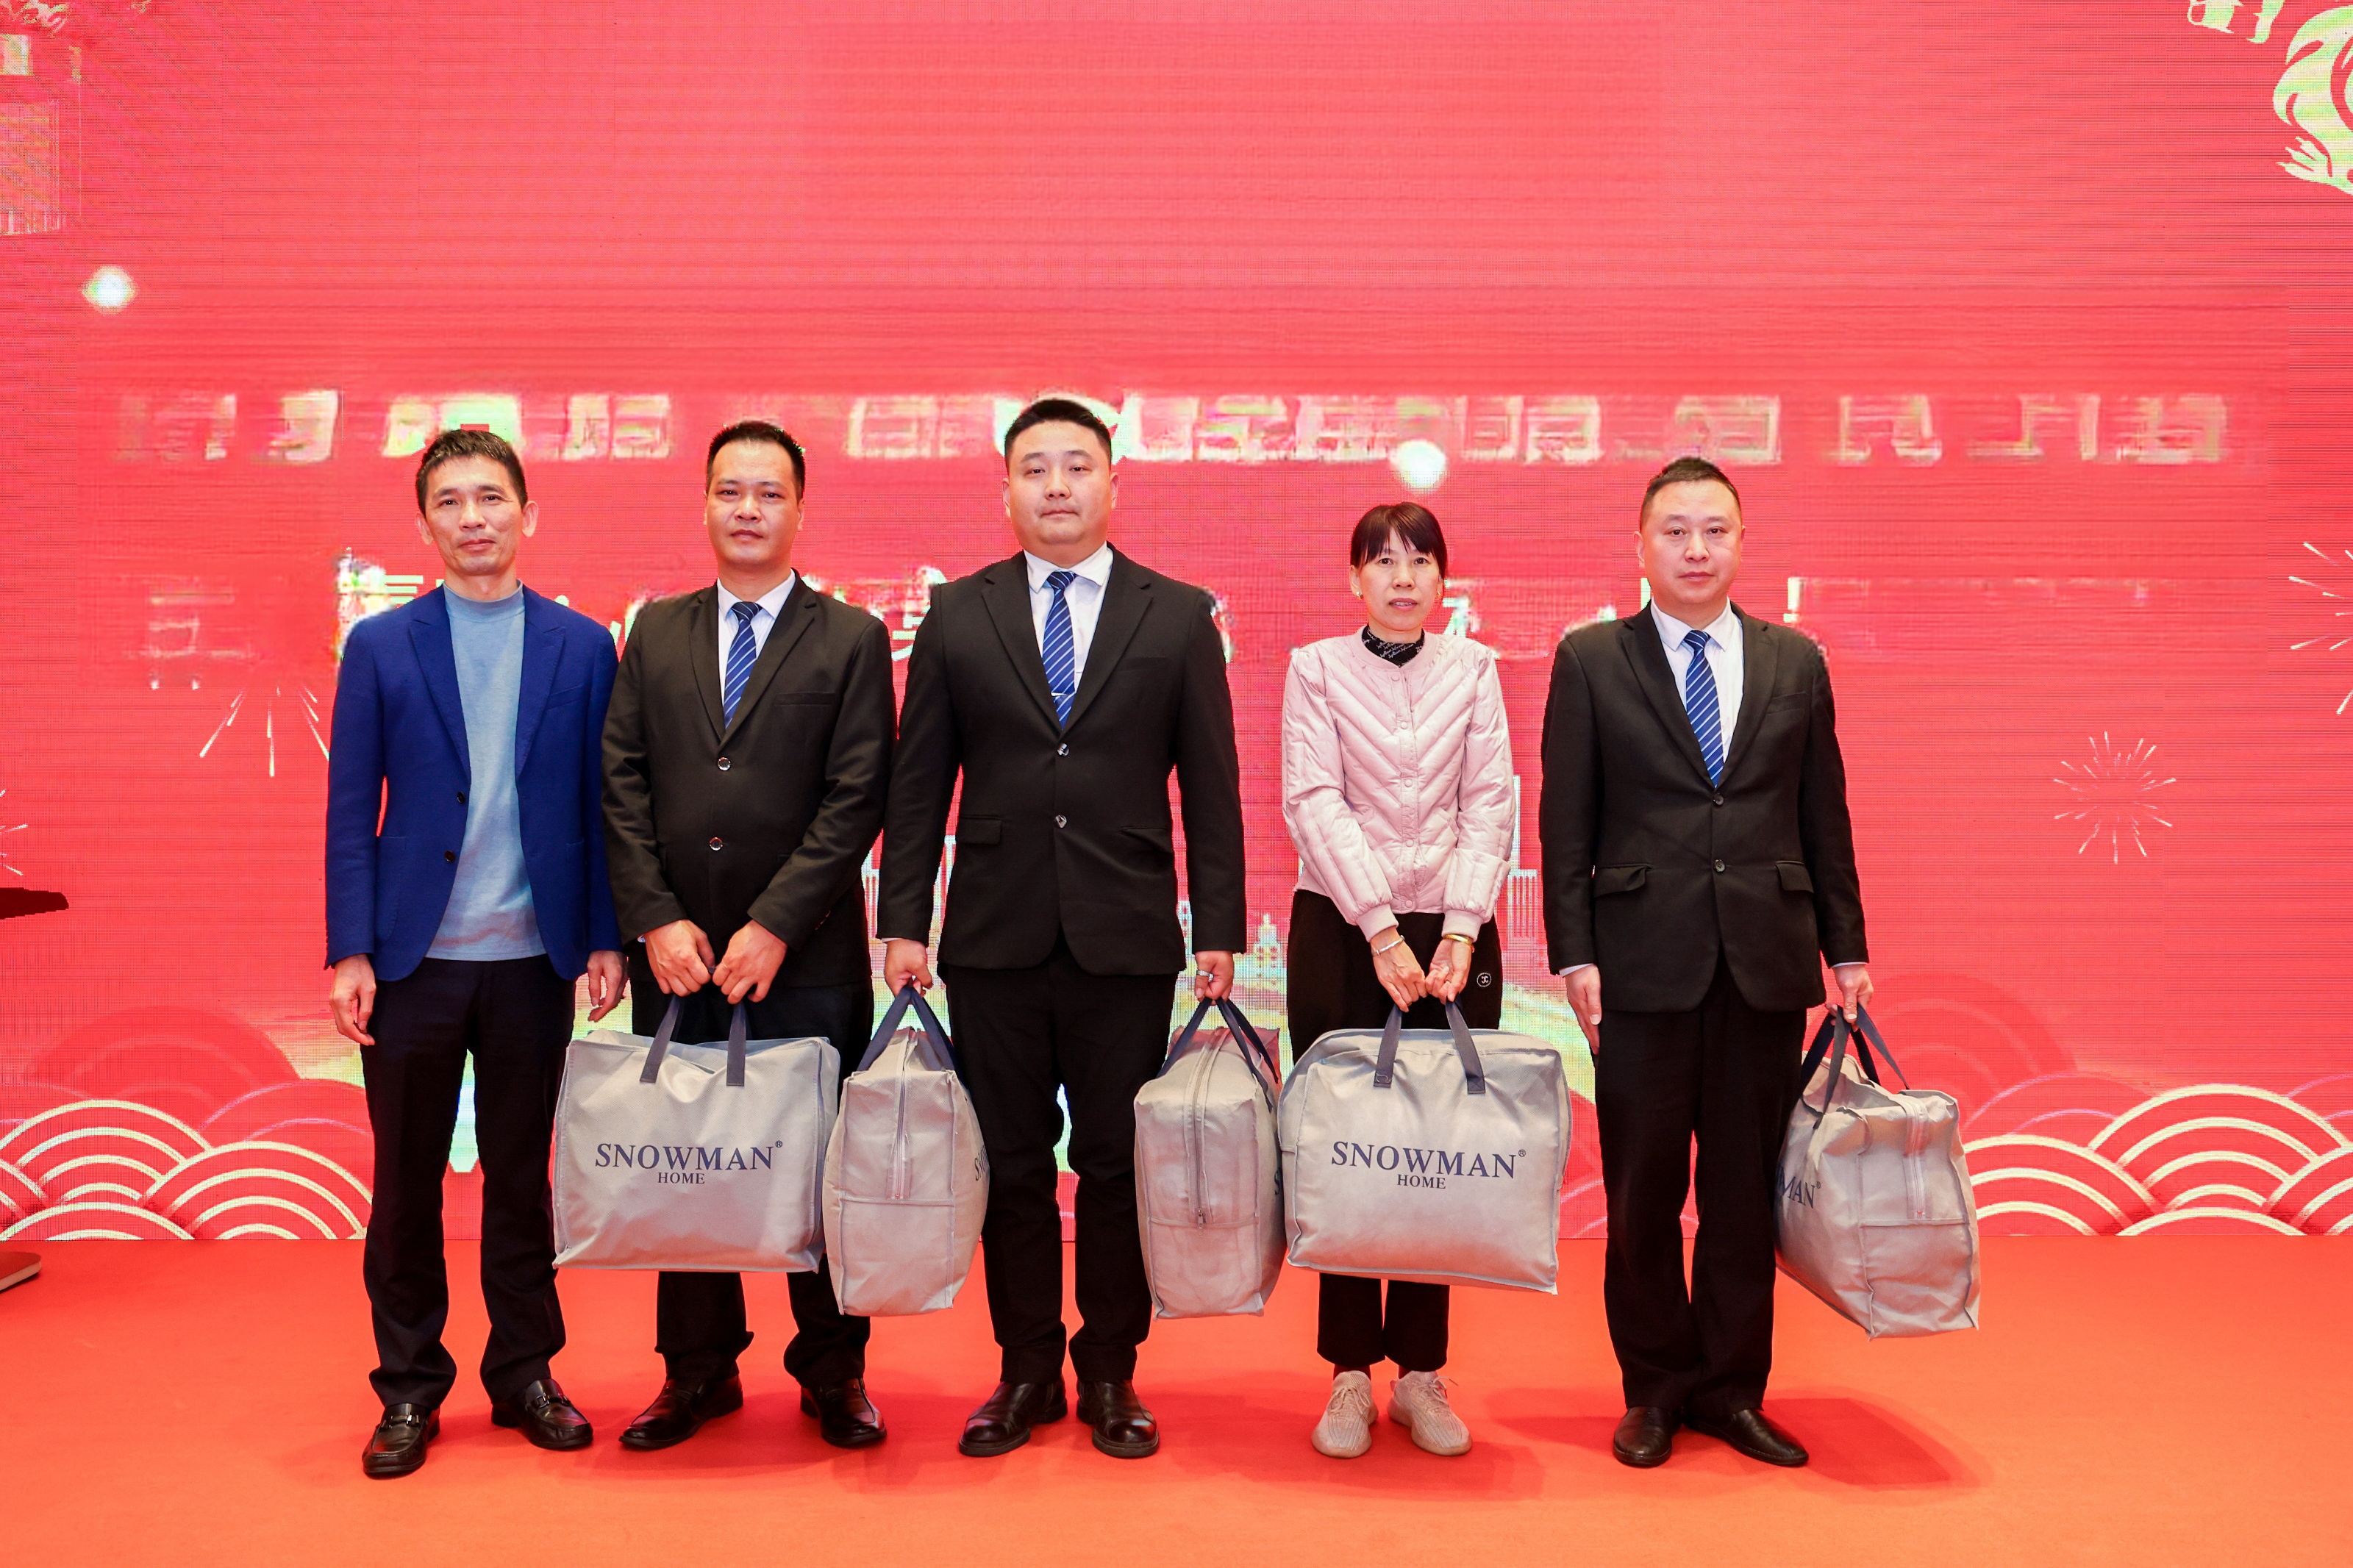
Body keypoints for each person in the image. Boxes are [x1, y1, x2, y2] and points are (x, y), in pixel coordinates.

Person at [877, 397, 1247, 1460]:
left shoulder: (1178, 615)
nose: (1055, 486)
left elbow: (1211, 787)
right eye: (1034, 467)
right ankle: (1027, 1367)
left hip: (1124, 934)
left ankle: (1113, 1370)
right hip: (992, 934)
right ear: (1005, 489)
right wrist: (903, 919)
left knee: (1118, 1162)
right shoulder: (957, 613)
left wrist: (1219, 923)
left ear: (1112, 484)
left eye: (1076, 466)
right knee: (1011, 1161)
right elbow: (920, 785)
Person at [1538, 455, 1871, 1471]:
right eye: (1675, 531)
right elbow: (1566, 822)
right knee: (1643, 1192)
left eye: (1714, 530)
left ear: (1741, 542)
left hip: (1764, 962)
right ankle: (1654, 1388)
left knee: (1740, 1192)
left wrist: (1848, 947)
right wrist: (1573, 951)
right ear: (1641, 545)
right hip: (1640, 964)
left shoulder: (1795, 661)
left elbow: (1824, 815)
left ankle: (1731, 1390)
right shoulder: (1592, 659)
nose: (1695, 549)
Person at [326, 428, 624, 1479]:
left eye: (491, 497)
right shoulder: (379, 645)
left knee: (520, 1181)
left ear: (528, 514)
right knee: (405, 1186)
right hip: (411, 963)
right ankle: (409, 1387)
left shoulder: (584, 646)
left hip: (533, 958)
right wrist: (350, 950)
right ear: (425, 525)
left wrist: (603, 933)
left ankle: (525, 1373)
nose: (473, 518)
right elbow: (350, 808)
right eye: (449, 501)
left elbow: (602, 805)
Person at [601, 420, 897, 1452]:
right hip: (678, 955)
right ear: (705, 503)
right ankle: (697, 1369)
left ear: (800, 510)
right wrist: (652, 917)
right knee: (687, 1161)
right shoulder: (655, 630)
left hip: (807, 956)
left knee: (820, 1166)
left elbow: (857, 796)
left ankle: (834, 1370)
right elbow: (620, 780)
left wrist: (775, 923)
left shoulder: (851, 637)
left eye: (769, 493)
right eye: (730, 490)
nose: (748, 509)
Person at [1280, 502, 1513, 1460]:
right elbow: (1314, 799)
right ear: (1355, 578)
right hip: (1344, 927)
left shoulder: (1477, 669)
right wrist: (1379, 924)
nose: (1403, 577)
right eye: (1383, 561)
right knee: (1347, 1149)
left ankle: (1420, 1372)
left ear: (1444, 580)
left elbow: (1490, 800)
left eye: (1421, 561)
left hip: (1455, 931)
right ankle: (1347, 1371)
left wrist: (1461, 925)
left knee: (1436, 1150)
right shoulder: (1315, 668)